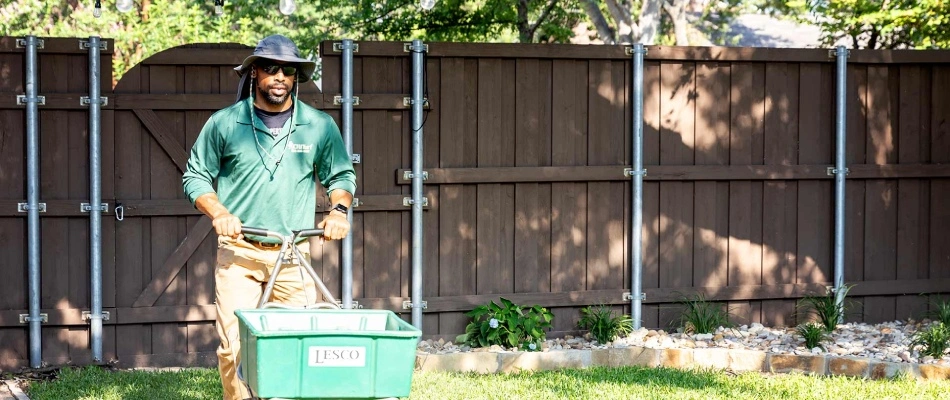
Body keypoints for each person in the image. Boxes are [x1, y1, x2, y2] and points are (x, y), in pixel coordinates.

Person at [182, 34, 356, 400]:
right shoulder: (225, 123)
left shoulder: (319, 125)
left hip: (293, 256)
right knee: (234, 349)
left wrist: (339, 209)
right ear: (254, 72)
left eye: (288, 70)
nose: (280, 76)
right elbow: (195, 176)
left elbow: (341, 176)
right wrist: (220, 211)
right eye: (271, 68)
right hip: (240, 251)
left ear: (296, 77)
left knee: (297, 347)